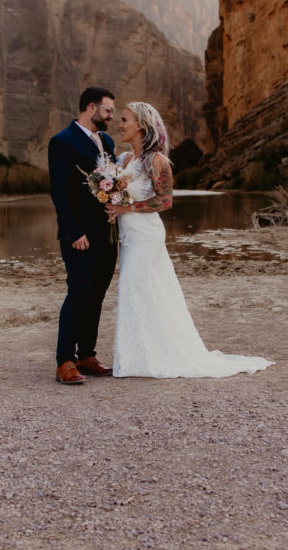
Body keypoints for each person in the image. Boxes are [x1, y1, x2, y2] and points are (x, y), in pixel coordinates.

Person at [105, 102, 274, 378]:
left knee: (134, 285)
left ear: (141, 125)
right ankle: (138, 357)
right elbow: (119, 194)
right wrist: (112, 206)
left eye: (124, 120)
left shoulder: (158, 161)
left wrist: (125, 208)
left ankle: (148, 358)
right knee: (139, 291)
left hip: (147, 235)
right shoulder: (124, 160)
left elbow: (165, 201)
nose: (120, 125)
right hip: (129, 234)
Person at [48, 86, 118, 385]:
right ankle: (65, 360)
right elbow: (60, 191)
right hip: (80, 234)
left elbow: (112, 184)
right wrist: (73, 231)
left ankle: (87, 354)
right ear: (91, 108)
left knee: (97, 294)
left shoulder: (107, 141)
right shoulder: (62, 141)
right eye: (108, 110)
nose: (111, 116)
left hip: (106, 233)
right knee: (78, 292)